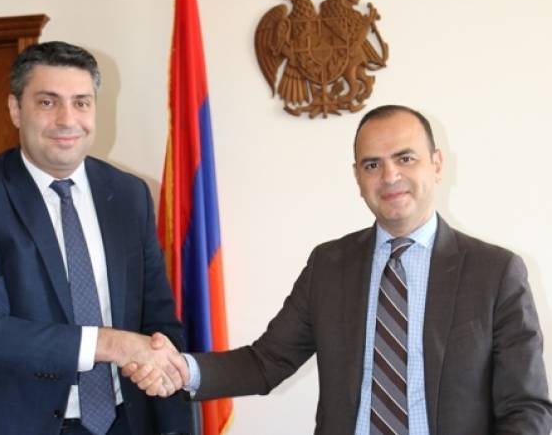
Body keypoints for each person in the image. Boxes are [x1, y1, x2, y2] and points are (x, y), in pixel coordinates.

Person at [125, 105, 552, 434]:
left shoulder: (495, 273)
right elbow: (266, 361)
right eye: (372, 164)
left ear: (436, 164)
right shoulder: (329, 265)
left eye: (405, 158)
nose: (390, 176)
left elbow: (526, 408)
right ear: (357, 177)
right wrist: (182, 369)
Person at [0, 41, 191, 435]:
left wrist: (160, 373)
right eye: (47, 102)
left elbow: (158, 319)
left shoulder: (129, 195)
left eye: (81, 103)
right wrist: (113, 344)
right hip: (18, 424)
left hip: (126, 421)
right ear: (16, 109)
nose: (67, 119)